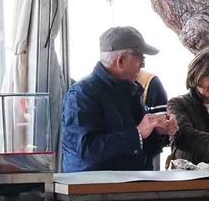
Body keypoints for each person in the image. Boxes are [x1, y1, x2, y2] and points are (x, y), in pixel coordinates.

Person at [59, 26, 176, 172]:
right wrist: (138, 134)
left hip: (130, 184)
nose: (143, 64)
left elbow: (143, 148)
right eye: (140, 57)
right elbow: (86, 150)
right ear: (121, 60)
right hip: (91, 188)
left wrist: (159, 132)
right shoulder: (82, 94)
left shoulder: (132, 90)